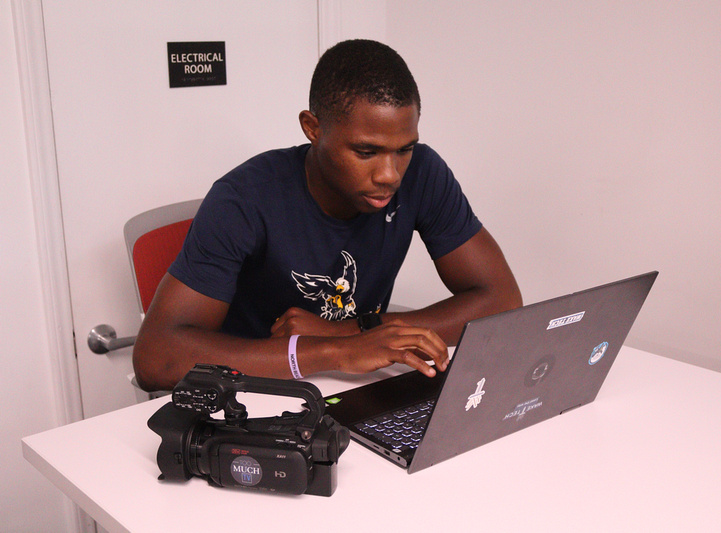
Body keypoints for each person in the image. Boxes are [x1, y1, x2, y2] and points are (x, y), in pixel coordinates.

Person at [133, 39, 522, 392]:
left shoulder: (422, 172)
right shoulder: (243, 199)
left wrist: (356, 332)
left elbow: (502, 299)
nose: (390, 175)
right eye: (366, 152)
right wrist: (334, 351)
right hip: (253, 393)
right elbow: (155, 358)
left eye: (403, 149)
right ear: (313, 128)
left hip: (354, 387)